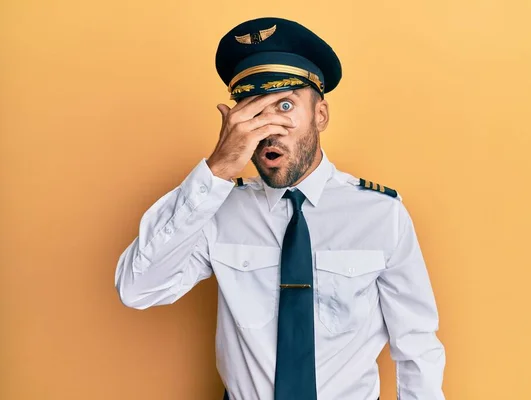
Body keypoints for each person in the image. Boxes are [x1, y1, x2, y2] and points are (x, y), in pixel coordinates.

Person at [115, 16, 445, 400]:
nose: (268, 128)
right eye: (253, 112)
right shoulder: (216, 209)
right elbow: (138, 289)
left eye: (284, 105)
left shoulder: (380, 214)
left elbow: (416, 344)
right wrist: (217, 168)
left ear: (319, 115)